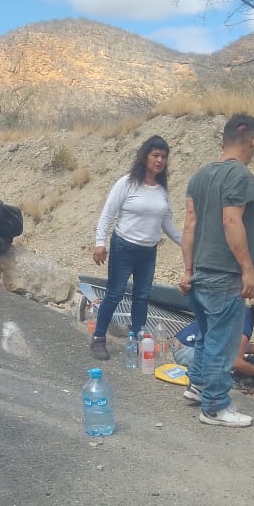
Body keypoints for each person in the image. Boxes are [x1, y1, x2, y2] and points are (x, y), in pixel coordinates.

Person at [179, 113, 254, 428]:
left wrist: (188, 270)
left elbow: (189, 226)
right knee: (222, 344)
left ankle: (198, 386)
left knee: (207, 336)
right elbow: (231, 221)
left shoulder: (199, 176)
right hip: (225, 275)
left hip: (200, 272)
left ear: (222, 141)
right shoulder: (240, 176)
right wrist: (248, 270)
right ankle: (214, 407)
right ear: (253, 141)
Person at [89, 135, 181, 360]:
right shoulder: (127, 183)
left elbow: (166, 221)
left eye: (164, 157)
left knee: (142, 296)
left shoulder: (161, 189)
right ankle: (98, 338)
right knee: (115, 294)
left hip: (148, 251)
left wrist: (186, 243)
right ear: (144, 157)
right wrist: (100, 243)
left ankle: (138, 339)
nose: (159, 160)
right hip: (123, 247)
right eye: (155, 155)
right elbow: (107, 214)